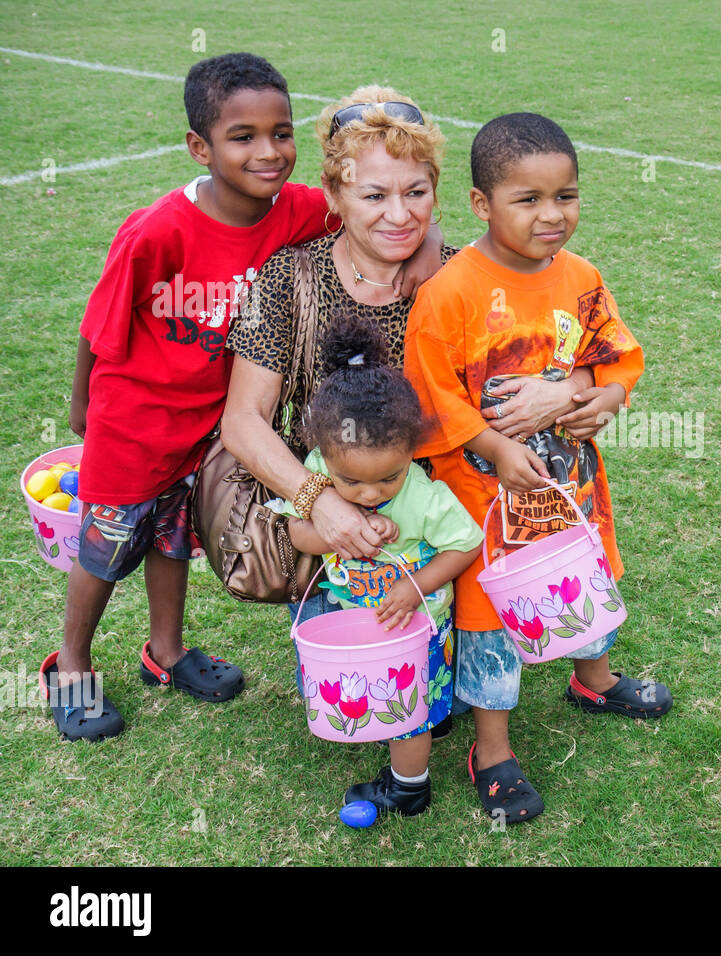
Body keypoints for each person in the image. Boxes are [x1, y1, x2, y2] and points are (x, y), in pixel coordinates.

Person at [222, 89, 589, 697]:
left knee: (431, 700)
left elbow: (560, 339)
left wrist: (574, 388)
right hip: (335, 507)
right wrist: (321, 501)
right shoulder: (288, 277)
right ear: (334, 197)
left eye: (416, 194)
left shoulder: (460, 274)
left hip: (443, 513)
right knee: (364, 689)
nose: (400, 215)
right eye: (374, 195)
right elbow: (242, 421)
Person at [44, 52, 331, 741]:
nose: (269, 152)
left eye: (282, 132)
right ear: (200, 148)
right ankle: (70, 662)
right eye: (243, 137)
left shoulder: (297, 212)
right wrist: (84, 410)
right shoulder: (157, 231)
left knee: (172, 541)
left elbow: (368, 208)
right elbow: (99, 325)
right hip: (134, 426)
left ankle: (165, 651)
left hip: (206, 431)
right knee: (108, 550)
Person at [404, 112, 673, 825]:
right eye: (528, 200)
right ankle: (491, 748)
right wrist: (495, 448)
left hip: (570, 484)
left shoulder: (581, 278)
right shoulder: (450, 293)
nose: (552, 215)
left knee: (583, 581)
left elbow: (616, 357)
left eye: (567, 195)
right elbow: (431, 398)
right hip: (487, 502)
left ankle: (594, 679)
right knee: (492, 618)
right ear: (480, 205)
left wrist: (597, 396)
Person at [279, 318, 482, 814]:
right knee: (405, 693)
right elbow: (295, 533)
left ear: (411, 452)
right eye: (351, 482)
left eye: (389, 478)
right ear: (324, 458)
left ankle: (409, 786)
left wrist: (417, 589)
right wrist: (333, 527)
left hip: (419, 625)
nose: (371, 495)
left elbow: (467, 545)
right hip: (363, 624)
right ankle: (435, 718)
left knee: (406, 709)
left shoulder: (424, 497)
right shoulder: (318, 476)